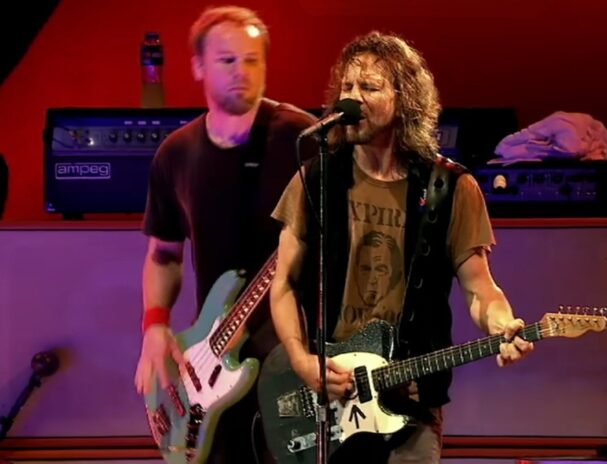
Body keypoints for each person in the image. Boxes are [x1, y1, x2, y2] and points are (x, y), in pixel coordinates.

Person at [269, 31, 534, 463]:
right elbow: (282, 284)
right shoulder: (315, 179)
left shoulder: (450, 188)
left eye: (369, 87)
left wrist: (502, 324)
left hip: (409, 399)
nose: (352, 98)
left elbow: (479, 288)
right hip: (330, 398)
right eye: (347, 86)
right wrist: (302, 361)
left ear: (405, 99)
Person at [133, 5, 317, 463]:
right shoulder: (175, 154)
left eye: (252, 60)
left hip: (293, 353)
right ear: (198, 66)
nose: (241, 71)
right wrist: (155, 326)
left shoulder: (304, 140)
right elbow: (164, 255)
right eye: (227, 60)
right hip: (212, 358)